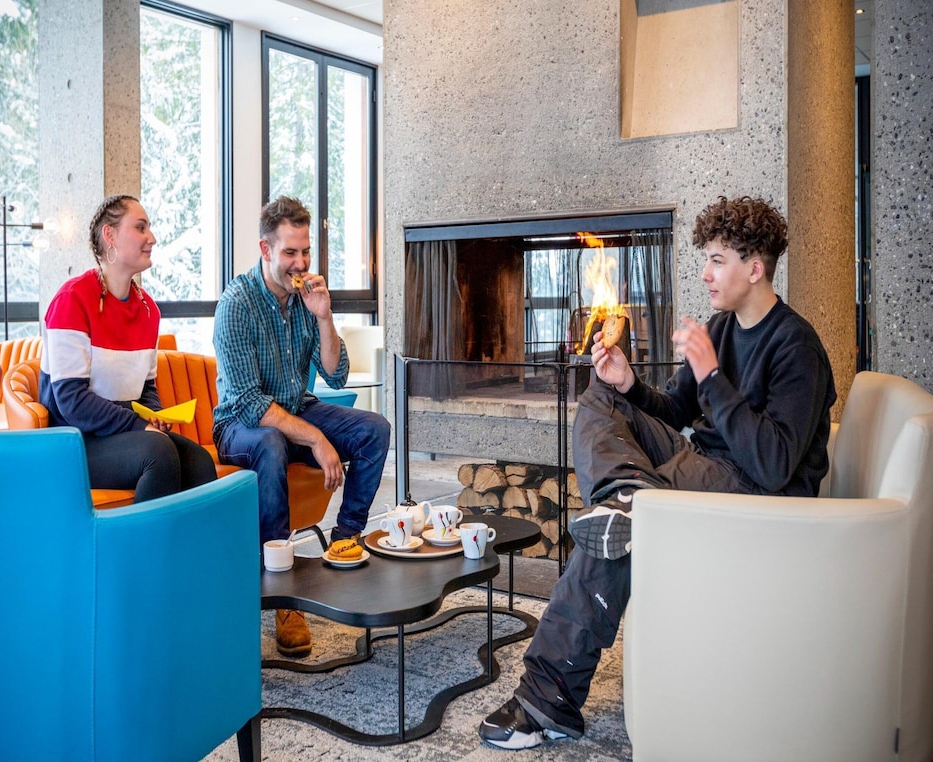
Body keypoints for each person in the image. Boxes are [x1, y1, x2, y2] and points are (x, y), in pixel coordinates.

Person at [479, 195, 837, 749]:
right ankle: (626, 499)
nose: (705, 273)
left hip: (758, 495)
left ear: (754, 268)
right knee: (602, 399)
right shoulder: (721, 327)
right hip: (705, 465)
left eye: (717, 260)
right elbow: (673, 409)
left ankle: (547, 701)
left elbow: (773, 465)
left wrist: (712, 376)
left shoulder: (797, 346)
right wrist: (628, 383)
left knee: (612, 538)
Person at [212, 195, 391, 657]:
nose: (301, 263)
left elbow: (336, 373)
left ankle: (345, 541)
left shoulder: (303, 301)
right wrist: (317, 440)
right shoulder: (236, 304)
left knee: (375, 429)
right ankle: (281, 595)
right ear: (265, 249)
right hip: (240, 427)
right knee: (271, 442)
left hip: (296, 407)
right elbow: (250, 404)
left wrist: (324, 316)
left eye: (306, 251)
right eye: (290, 252)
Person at [40, 194, 217, 503]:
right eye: (140, 227)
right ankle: (137, 538)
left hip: (119, 435)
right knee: (158, 453)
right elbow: (70, 400)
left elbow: (146, 388)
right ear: (110, 235)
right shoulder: (72, 299)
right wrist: (140, 425)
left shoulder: (148, 310)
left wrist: (155, 415)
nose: (152, 238)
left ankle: (189, 539)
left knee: (199, 462)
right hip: (73, 440)